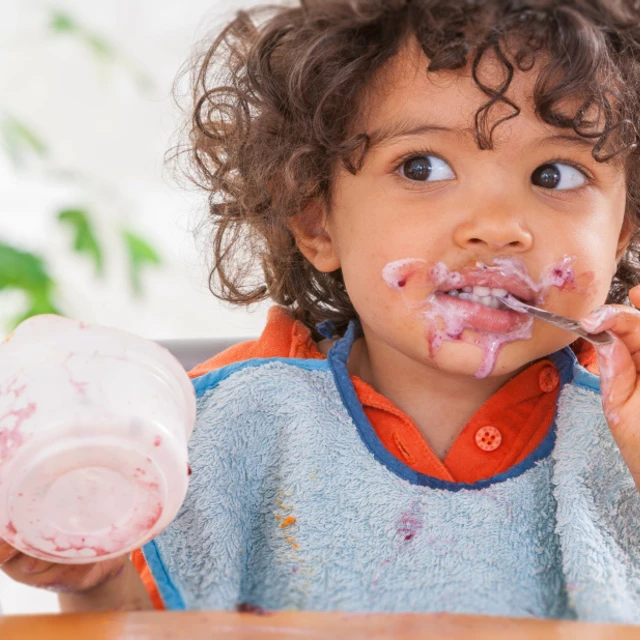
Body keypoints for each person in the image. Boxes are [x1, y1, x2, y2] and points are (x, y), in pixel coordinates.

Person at [2, 0, 640, 623]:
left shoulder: (625, 428)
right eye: (423, 167)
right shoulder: (225, 429)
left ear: (620, 235)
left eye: (557, 174)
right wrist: (94, 579)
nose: (499, 228)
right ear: (318, 220)